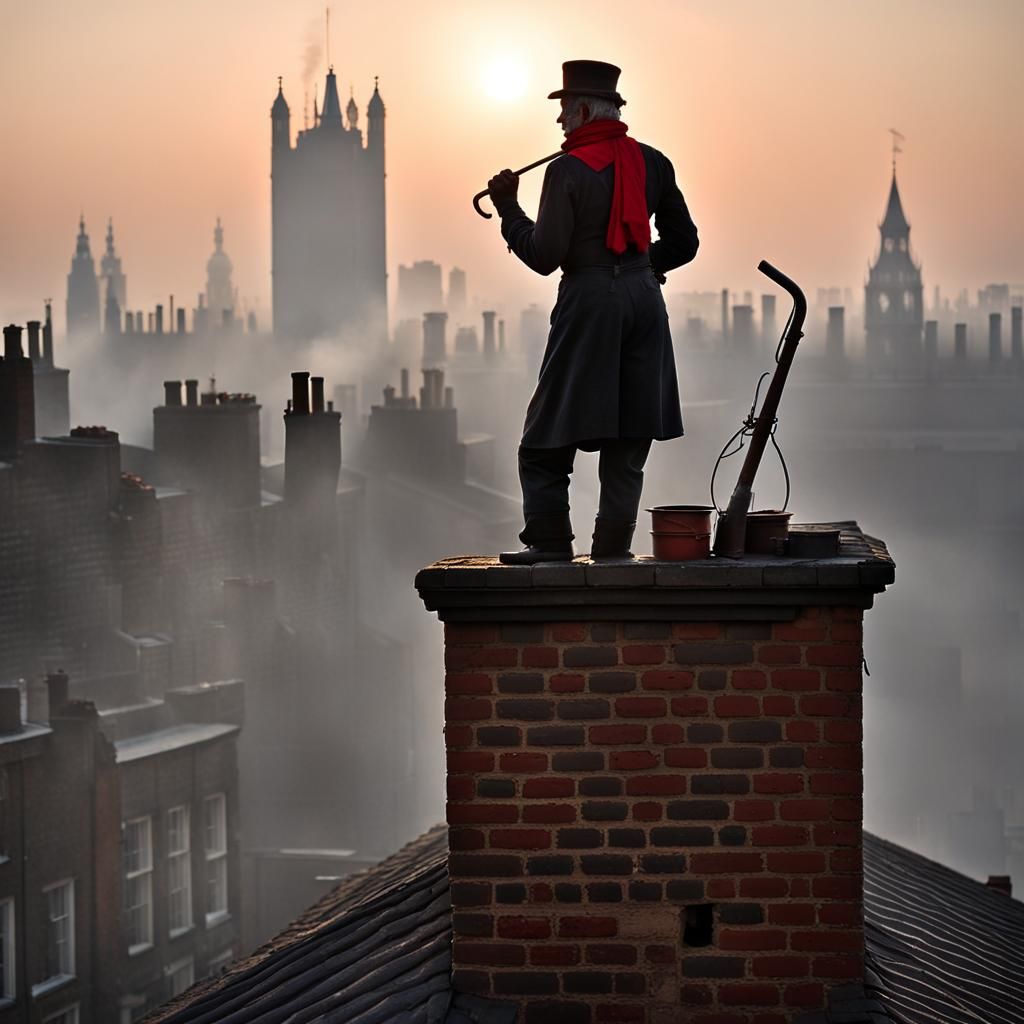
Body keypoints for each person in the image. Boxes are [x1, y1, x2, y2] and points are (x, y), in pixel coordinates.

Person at [488, 60, 699, 564]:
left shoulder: (567, 170)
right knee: (628, 440)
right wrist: (642, 270)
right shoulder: (653, 162)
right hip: (645, 303)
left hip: (589, 304)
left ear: (582, 109)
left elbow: (544, 256)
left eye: (563, 110)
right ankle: (612, 554)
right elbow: (684, 242)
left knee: (542, 440)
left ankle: (549, 543)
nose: (560, 121)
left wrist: (508, 210)